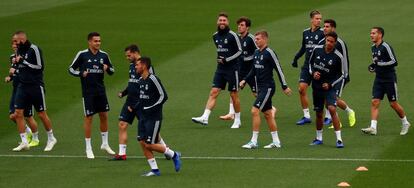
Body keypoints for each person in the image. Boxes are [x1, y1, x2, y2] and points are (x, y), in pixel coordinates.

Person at [111, 44, 168, 160]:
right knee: (122, 124)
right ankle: (122, 154)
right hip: (130, 101)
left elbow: (150, 84)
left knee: (152, 132)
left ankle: (166, 150)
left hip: (142, 102)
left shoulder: (145, 66)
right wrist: (124, 93)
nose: (127, 58)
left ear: (135, 52)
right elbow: (131, 82)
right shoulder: (132, 66)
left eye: (129, 55)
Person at [240, 31, 292, 149]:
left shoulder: (270, 53)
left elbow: (279, 69)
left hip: (268, 87)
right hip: (261, 87)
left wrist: (284, 86)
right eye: (255, 39)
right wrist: (244, 80)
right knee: (268, 114)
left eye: (258, 39)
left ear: (265, 39)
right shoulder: (257, 52)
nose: (256, 41)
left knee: (254, 111)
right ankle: (276, 142)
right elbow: (253, 69)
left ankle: (254, 141)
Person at [69, 32, 115, 159]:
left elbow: (112, 70)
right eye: (95, 41)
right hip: (88, 92)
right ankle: (88, 148)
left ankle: (105, 144)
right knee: (89, 118)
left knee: (104, 116)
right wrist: (81, 73)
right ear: (89, 42)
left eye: (99, 41)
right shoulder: (82, 55)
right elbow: (71, 69)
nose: (98, 43)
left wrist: (107, 69)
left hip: (101, 91)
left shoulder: (104, 55)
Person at [192, 12, 243, 128]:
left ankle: (237, 119)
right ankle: (205, 117)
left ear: (227, 22)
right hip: (220, 69)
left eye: (224, 20)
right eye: (220, 20)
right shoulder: (215, 36)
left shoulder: (232, 35)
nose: (222, 22)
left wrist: (227, 59)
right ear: (217, 22)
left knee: (234, 94)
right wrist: (222, 60)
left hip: (232, 69)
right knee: (214, 92)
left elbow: (239, 51)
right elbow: (220, 51)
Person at [132, 57, 181, 176]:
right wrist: (135, 107)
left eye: (137, 65)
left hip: (153, 118)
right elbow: (143, 98)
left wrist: (151, 108)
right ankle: (154, 170)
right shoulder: (140, 80)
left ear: (144, 66)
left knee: (149, 144)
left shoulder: (153, 79)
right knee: (142, 142)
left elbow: (163, 96)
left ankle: (173, 154)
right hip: (142, 117)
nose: (135, 67)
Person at [11, 31, 57, 152]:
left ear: (22, 39)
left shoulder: (34, 49)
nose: (14, 44)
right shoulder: (19, 50)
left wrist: (23, 62)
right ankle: (24, 141)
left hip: (35, 86)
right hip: (22, 86)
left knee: (41, 114)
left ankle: (51, 138)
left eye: (15, 41)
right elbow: (20, 67)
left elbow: (39, 66)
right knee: (18, 113)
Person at [361, 27, 410, 135]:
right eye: (371, 33)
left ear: (380, 35)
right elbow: (376, 62)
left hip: (389, 79)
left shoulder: (386, 46)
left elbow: (394, 61)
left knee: (393, 104)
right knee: (375, 101)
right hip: (379, 79)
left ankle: (405, 123)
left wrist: (379, 65)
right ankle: (373, 127)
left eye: (373, 33)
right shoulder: (373, 47)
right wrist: (373, 66)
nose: (371, 35)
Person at [308, 31, 345, 148]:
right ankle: (319, 138)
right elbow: (309, 64)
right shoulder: (317, 49)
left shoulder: (338, 56)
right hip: (317, 86)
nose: (328, 43)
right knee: (319, 113)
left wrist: (330, 84)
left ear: (335, 43)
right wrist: (313, 73)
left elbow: (342, 75)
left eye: (331, 42)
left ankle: (339, 139)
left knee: (332, 109)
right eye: (327, 40)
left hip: (330, 88)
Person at [318, 19, 356, 127]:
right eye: (324, 26)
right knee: (326, 98)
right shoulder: (322, 42)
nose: (324, 28)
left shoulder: (340, 43)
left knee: (333, 98)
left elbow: (345, 60)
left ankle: (347, 114)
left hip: (339, 76)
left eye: (327, 26)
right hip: (327, 75)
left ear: (333, 28)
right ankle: (339, 117)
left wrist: (345, 76)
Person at [220, 16, 258, 121]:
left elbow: (258, 52)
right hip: (240, 70)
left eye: (242, 25)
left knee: (256, 93)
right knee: (233, 90)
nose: (239, 27)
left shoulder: (251, 39)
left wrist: (248, 59)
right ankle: (231, 113)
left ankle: (271, 108)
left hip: (251, 71)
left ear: (247, 28)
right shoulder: (237, 38)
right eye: (238, 25)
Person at [5, 33, 39, 147]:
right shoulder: (12, 57)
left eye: (16, 43)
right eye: (13, 44)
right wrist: (10, 77)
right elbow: (15, 71)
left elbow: (25, 70)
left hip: (25, 88)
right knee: (13, 115)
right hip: (16, 89)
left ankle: (35, 138)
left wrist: (15, 72)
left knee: (28, 116)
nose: (15, 45)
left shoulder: (25, 55)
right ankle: (27, 132)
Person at [292, 10, 325, 125]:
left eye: (320, 19)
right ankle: (306, 116)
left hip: (319, 66)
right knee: (301, 89)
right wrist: (296, 58)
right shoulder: (305, 32)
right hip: (307, 65)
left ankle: (329, 116)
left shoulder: (323, 33)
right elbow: (303, 47)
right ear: (311, 19)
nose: (319, 21)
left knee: (323, 91)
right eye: (317, 18)